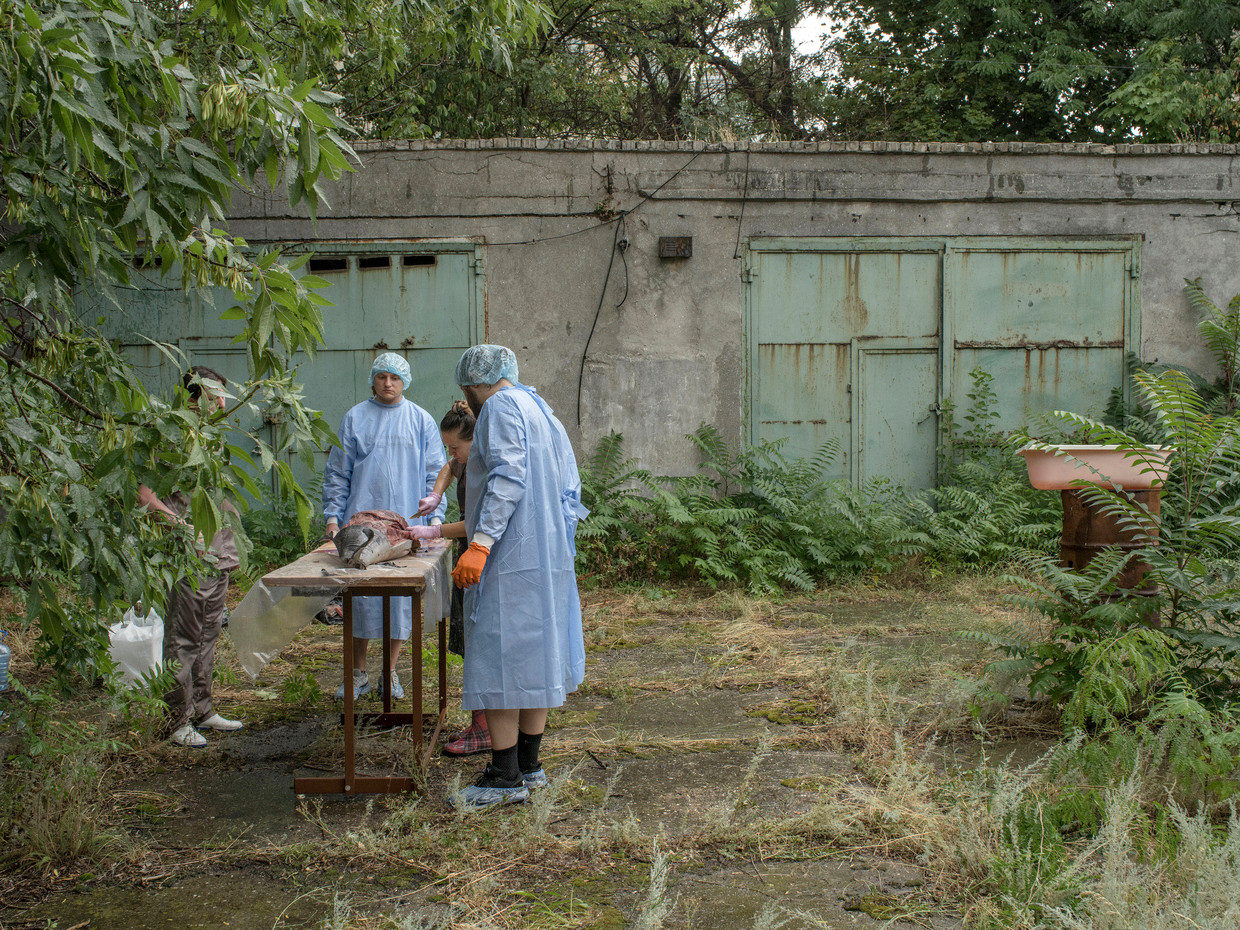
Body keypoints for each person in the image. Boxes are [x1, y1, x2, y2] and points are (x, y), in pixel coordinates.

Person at [445, 345, 588, 809]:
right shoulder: (539, 406)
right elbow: (570, 483)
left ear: (472, 381)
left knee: (500, 657)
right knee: (535, 654)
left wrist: (481, 543)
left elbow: (507, 478)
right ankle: (530, 766)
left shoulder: (502, 407)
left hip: (510, 554)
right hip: (545, 553)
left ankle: (503, 777)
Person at [322, 353, 446, 700]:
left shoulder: (420, 420)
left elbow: (435, 472)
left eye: (394, 377)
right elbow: (338, 471)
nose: (387, 383)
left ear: (405, 380)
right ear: (372, 380)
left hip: (407, 526)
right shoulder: (355, 418)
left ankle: (388, 672)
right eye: (381, 377)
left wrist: (435, 518)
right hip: (361, 527)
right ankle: (358, 672)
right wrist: (333, 517)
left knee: (400, 601)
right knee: (360, 599)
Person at [138, 366, 243, 748]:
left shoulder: (211, 438)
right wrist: (178, 526)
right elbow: (144, 492)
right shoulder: (170, 435)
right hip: (188, 553)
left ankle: (203, 709)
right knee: (184, 638)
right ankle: (177, 719)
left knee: (210, 633)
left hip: (217, 553)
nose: (221, 403)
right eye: (216, 396)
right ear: (195, 396)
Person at [409, 401, 492, 756]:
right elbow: (449, 466)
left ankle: (486, 729)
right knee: (467, 639)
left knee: (479, 642)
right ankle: (483, 721)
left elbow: (477, 522)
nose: (452, 453)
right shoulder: (465, 459)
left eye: (456, 445)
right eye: (448, 446)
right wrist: (436, 494)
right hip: (467, 555)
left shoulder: (486, 466)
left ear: (475, 440)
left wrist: (433, 531)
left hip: (480, 558)